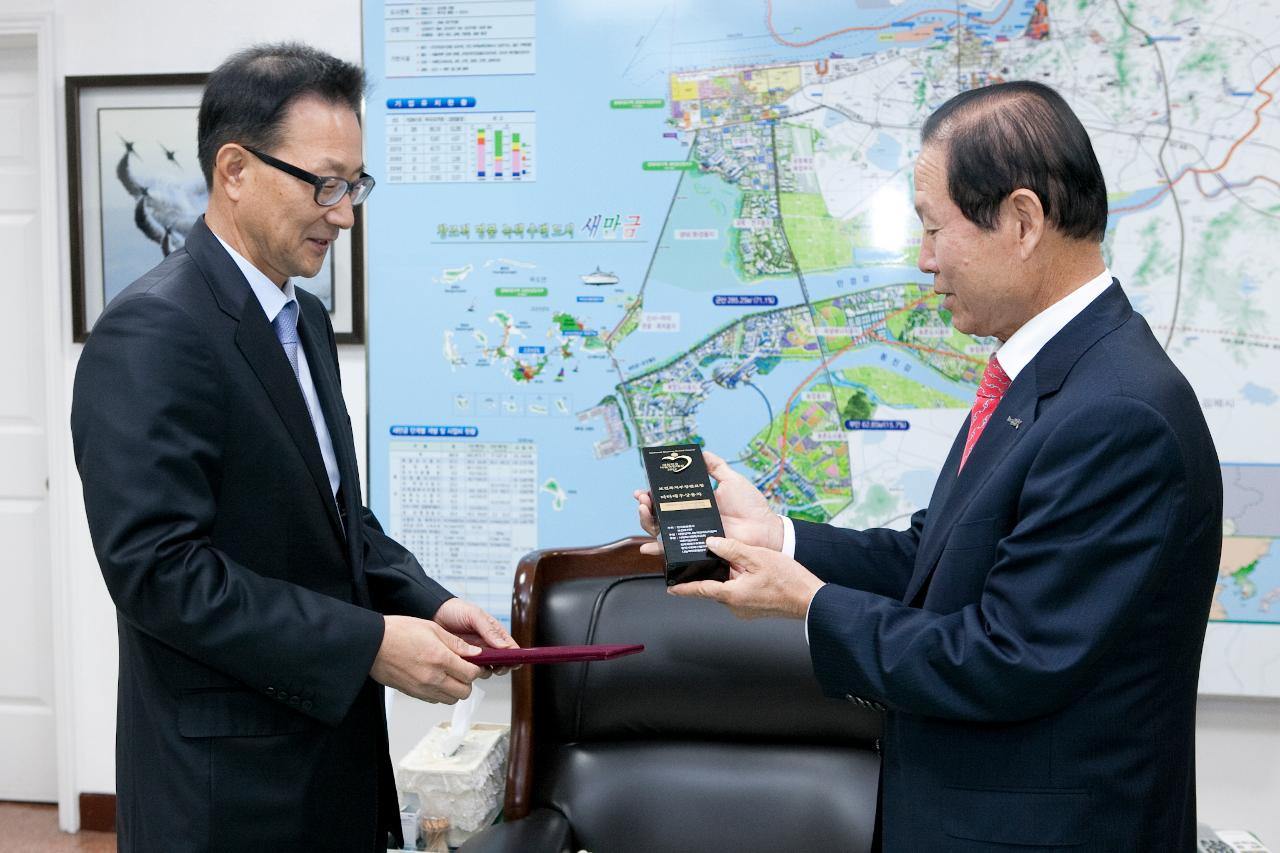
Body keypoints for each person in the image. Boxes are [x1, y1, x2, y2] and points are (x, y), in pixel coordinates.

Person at [637, 81, 1221, 850]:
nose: (923, 261)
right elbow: (934, 559)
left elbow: (1008, 655)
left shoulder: (1118, 413)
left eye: (934, 229)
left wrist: (807, 603)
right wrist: (778, 537)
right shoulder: (1047, 377)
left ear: (1021, 221)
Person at [71, 43, 516, 852]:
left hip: (327, 761)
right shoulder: (155, 330)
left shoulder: (300, 320)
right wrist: (370, 642)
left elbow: (335, 515)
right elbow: (158, 571)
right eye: (325, 184)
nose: (344, 214)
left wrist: (425, 599)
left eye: (355, 185)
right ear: (234, 169)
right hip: (225, 789)